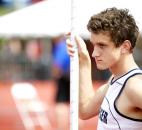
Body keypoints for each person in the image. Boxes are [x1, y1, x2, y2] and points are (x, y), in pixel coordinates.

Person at [66, 7, 142, 130]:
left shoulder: (134, 87)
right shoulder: (115, 80)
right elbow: (85, 110)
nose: (94, 53)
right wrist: (83, 59)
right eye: (94, 45)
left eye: (102, 45)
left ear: (125, 46)